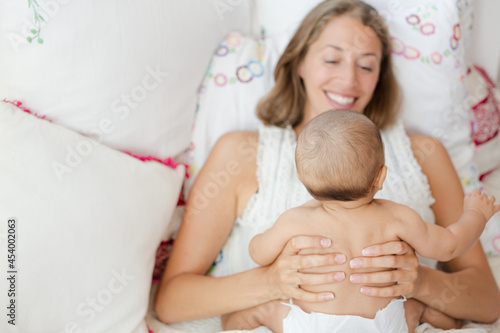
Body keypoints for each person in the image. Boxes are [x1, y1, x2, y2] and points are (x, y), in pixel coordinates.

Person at [155, 0, 500, 331]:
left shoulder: (424, 154)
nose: (349, 80)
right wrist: (271, 281)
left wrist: (422, 282)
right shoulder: (241, 154)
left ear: (380, 77)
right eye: (333, 59)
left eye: (366, 65)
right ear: (300, 62)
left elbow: (487, 302)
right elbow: (172, 301)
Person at [221, 110, 500, 333]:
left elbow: (258, 253)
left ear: (303, 181)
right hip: (385, 323)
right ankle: (444, 324)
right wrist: (476, 214)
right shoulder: (397, 217)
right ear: (380, 177)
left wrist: (263, 243)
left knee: (260, 310)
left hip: (311, 326)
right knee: (420, 307)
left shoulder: (294, 221)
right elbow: (450, 246)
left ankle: (233, 325)